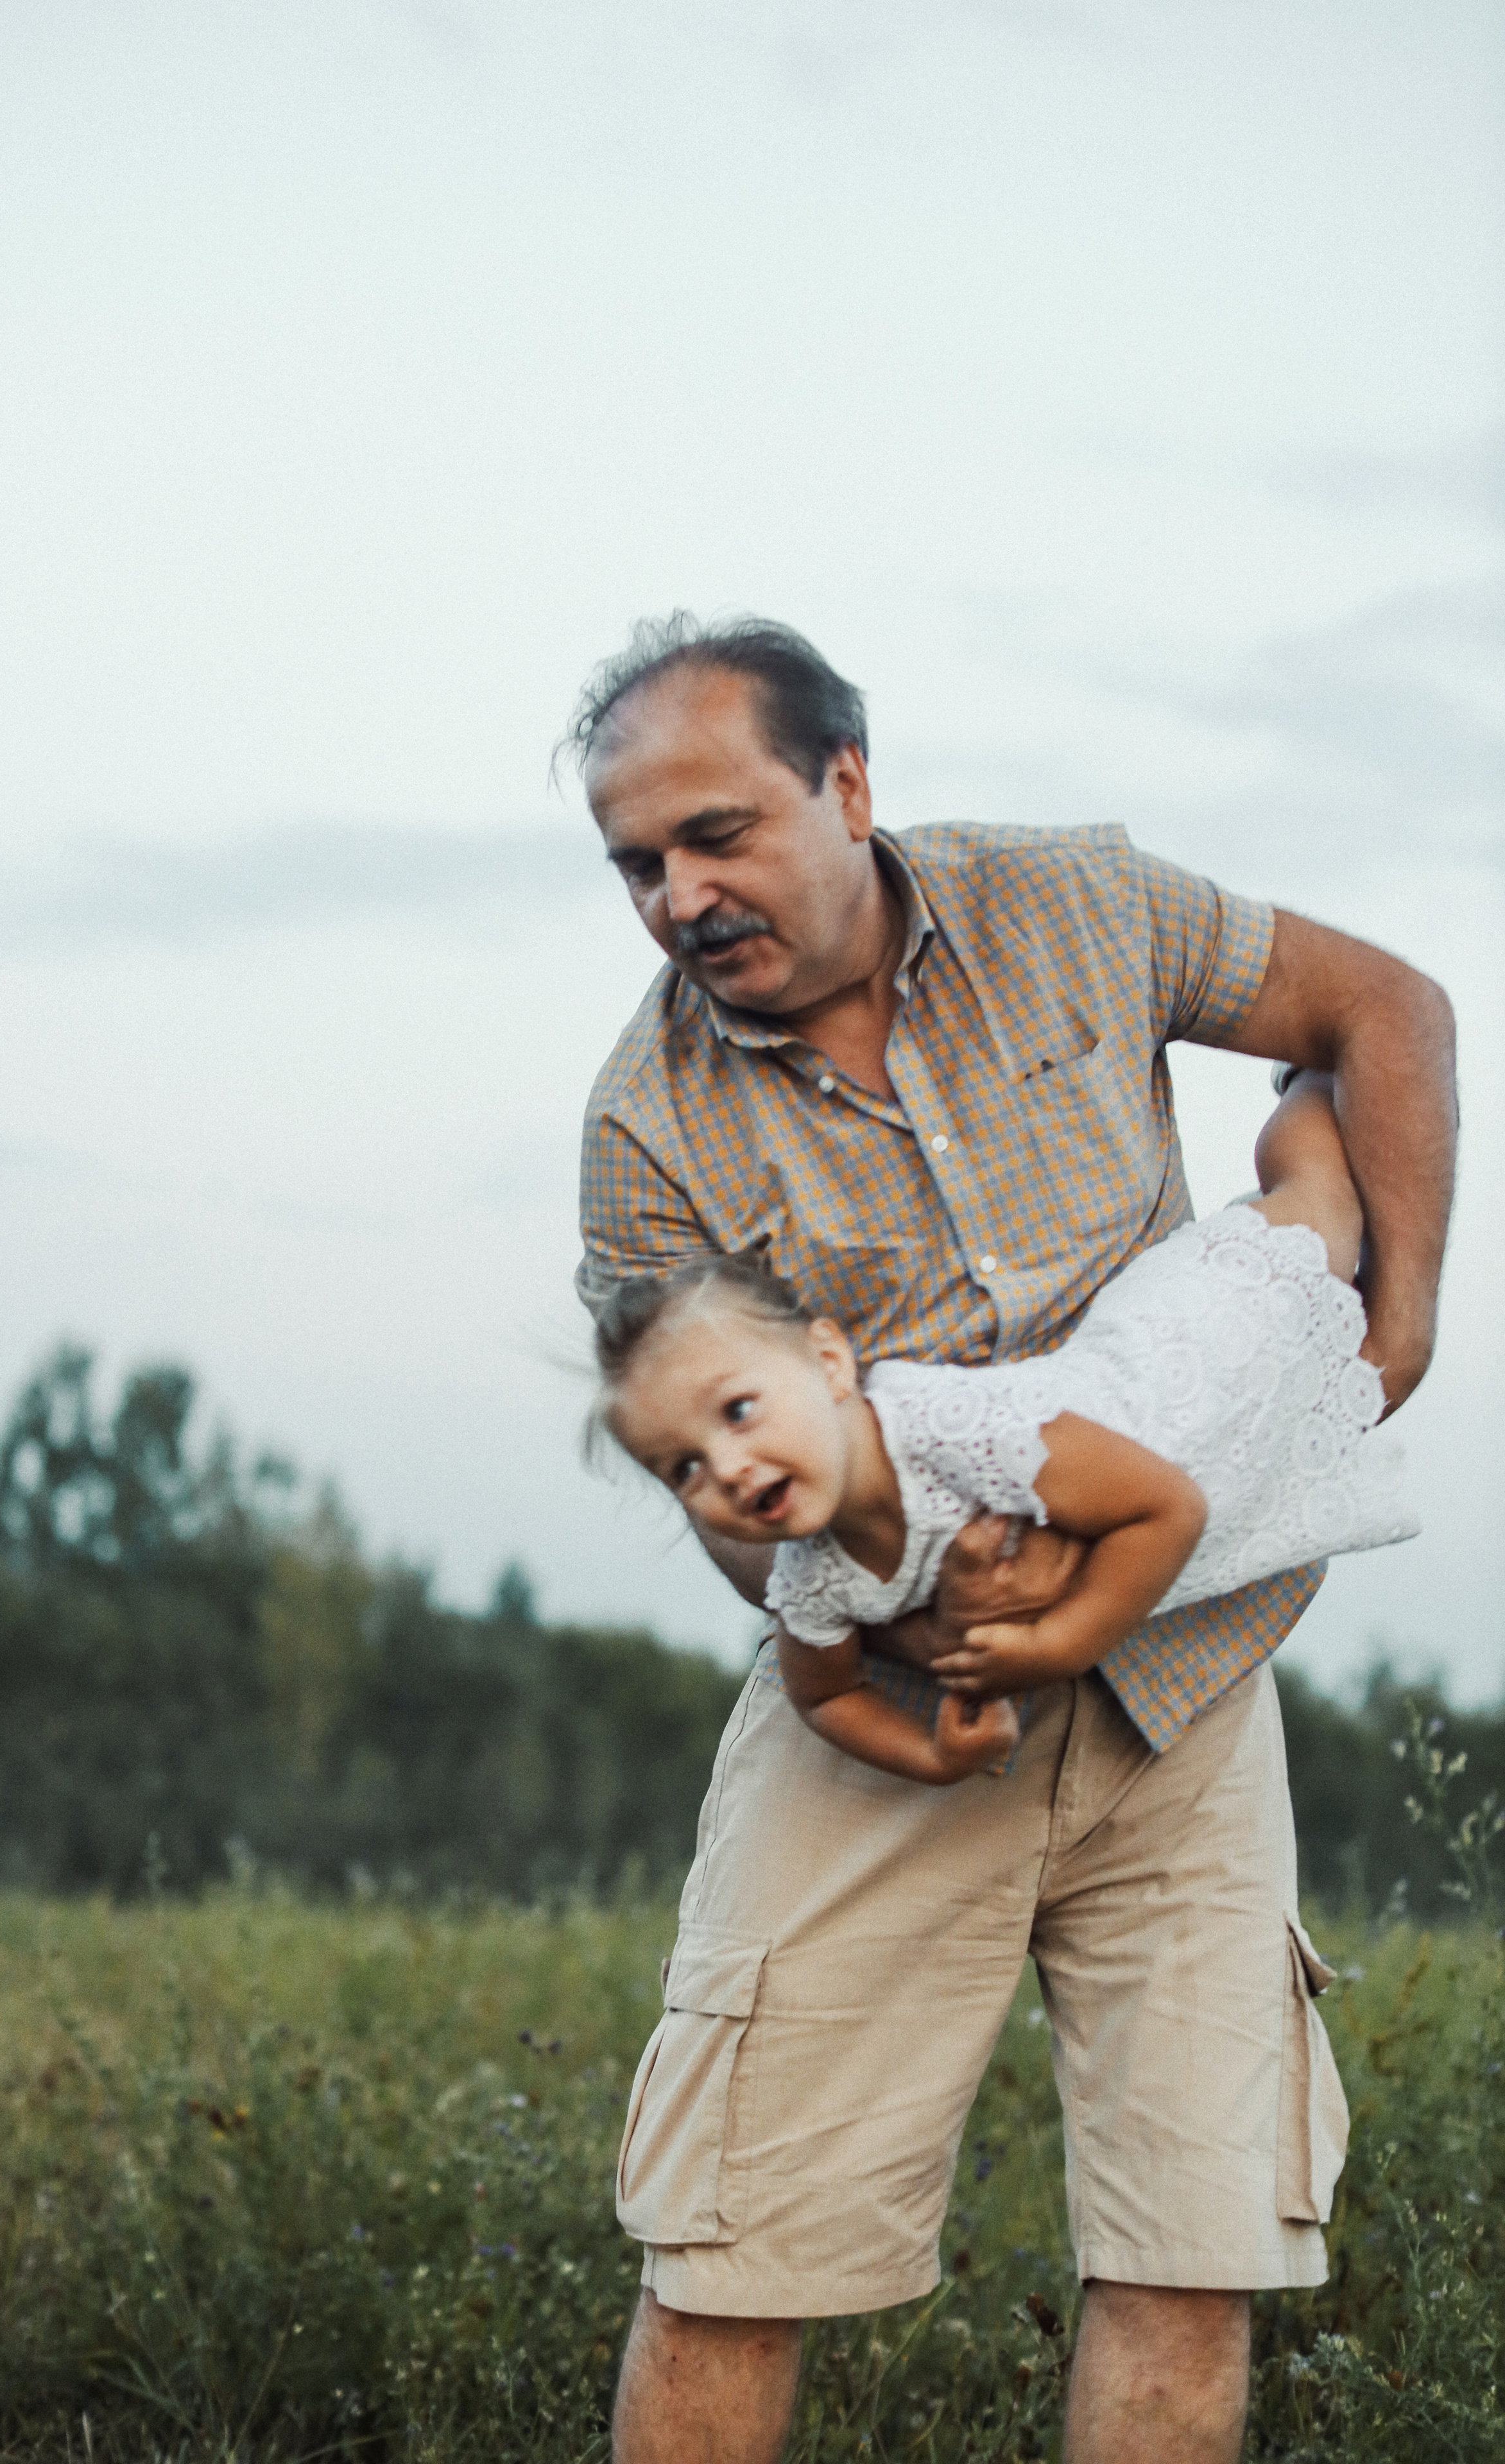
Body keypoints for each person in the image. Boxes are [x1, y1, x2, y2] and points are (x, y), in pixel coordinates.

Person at [569, 612, 1456, 2464]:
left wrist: (1399, 1335)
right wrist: (919, 1617)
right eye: (638, 863)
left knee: (1192, 2249)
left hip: (1186, 1689)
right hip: (890, 1705)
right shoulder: (647, 1131)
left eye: (717, 834)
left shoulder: (1078, 900)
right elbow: (724, 1494)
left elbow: (1386, 1014)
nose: (677, 895)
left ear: (851, 785)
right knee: (733, 2244)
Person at [592, 1070, 1417, 1786]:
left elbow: (1167, 1509)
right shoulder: (814, 1579)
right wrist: (930, 1755)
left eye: (739, 1411)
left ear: (831, 1364)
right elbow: (827, 1695)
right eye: (683, 1470)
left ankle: (1310, 1081)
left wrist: (1060, 1641)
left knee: (1316, 1205)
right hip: (1153, 1476)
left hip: (1186, 1364)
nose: (728, 1467)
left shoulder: (940, 1426)